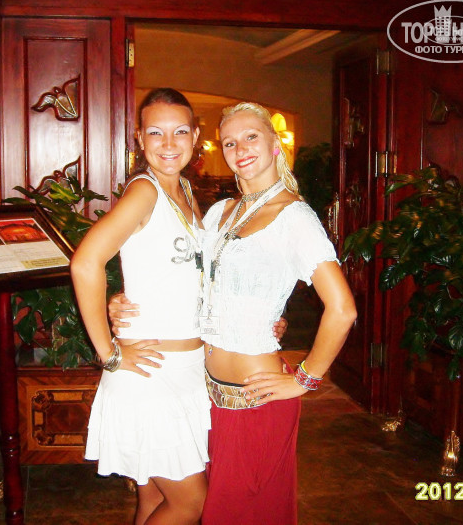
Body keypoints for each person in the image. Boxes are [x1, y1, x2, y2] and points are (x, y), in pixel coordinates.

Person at [110, 101, 357, 525]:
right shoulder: (220, 212)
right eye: (229, 142)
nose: (240, 149)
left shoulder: (294, 216)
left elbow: (342, 308)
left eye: (251, 137)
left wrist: (305, 378)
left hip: (255, 399)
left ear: (276, 144)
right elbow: (179, 273)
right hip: (204, 394)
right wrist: (122, 297)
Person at [70, 88, 210, 525]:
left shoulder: (184, 190)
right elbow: (86, 262)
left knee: (152, 500)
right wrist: (108, 353)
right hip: (152, 374)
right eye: (155, 133)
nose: (168, 143)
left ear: (195, 137)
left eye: (180, 132)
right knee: (190, 503)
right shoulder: (145, 192)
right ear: (139, 138)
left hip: (187, 370)